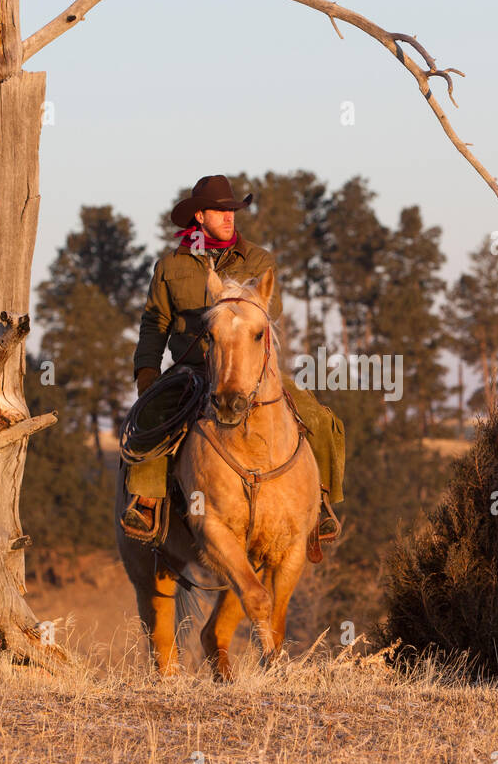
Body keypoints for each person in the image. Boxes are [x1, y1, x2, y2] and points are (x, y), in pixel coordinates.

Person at [121, 174, 345, 543]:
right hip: (192, 370)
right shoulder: (171, 266)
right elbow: (155, 321)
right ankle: (147, 499)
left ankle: (319, 503)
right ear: (200, 218)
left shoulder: (259, 261)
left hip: (249, 371)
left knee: (318, 418)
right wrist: (147, 371)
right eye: (220, 211)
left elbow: (273, 319)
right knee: (153, 414)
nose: (230, 218)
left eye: (233, 211)